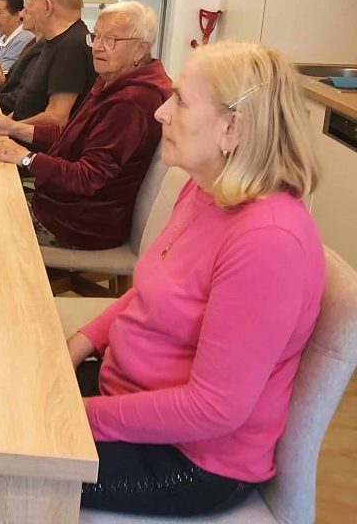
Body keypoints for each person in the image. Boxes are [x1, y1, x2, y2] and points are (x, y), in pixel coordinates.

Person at [66, 41, 323, 516]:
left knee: (0, 464)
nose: (161, 112)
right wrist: (79, 344)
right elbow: (151, 292)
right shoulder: (205, 188)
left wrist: (74, 415)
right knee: (0, 395)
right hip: (127, 394)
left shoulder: (268, 241)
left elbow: (212, 409)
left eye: (181, 100)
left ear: (232, 129)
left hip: (190, 459)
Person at [0, 2, 171, 249]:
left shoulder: (132, 101)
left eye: (111, 40)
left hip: (78, 225)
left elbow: (88, 177)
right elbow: (73, 138)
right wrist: (14, 129)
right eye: (96, 36)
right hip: (59, 206)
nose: (98, 47)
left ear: (141, 48)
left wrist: (27, 158)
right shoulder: (112, 80)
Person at [0, 0, 95, 124]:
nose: (24, 14)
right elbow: (31, 101)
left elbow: (56, 118)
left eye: (32, 6)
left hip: (28, 137)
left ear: (48, 6)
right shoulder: (53, 41)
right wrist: (5, 121)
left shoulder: (71, 46)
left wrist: (11, 127)